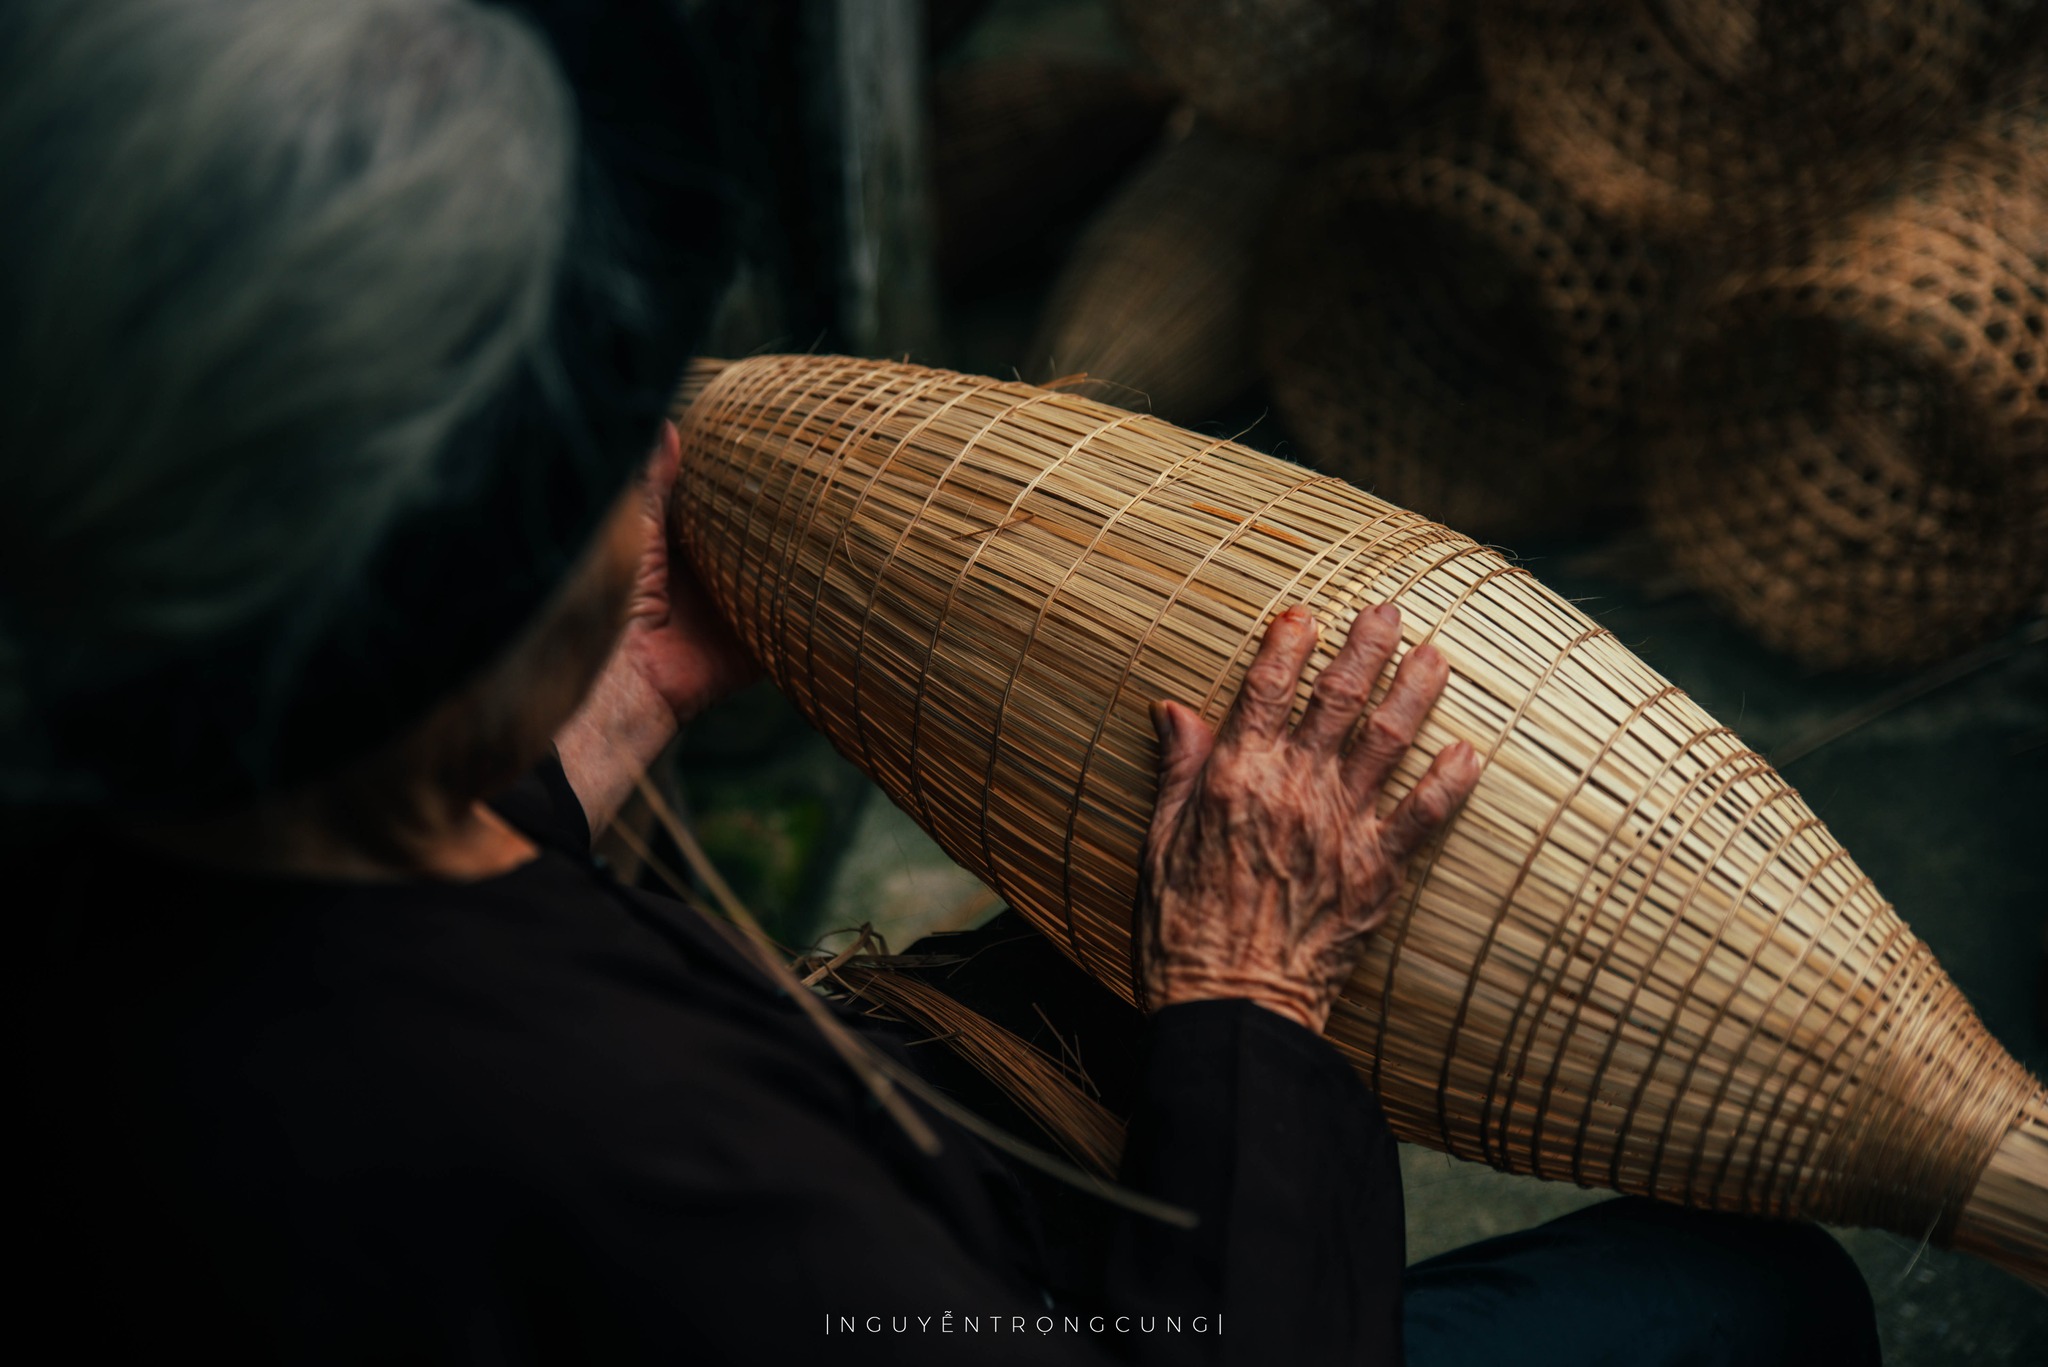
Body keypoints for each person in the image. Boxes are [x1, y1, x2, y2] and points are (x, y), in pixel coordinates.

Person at [5, 2, 1881, 1363]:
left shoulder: (121, 823)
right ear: (480, 560)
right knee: (1746, 1299)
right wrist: (1249, 993)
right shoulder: (655, 1152)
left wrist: (594, 715)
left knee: (1084, 952)